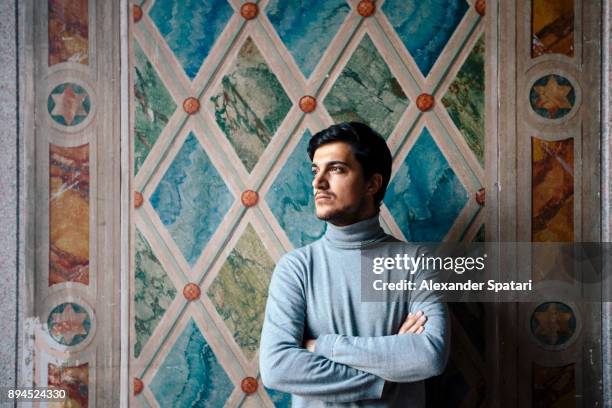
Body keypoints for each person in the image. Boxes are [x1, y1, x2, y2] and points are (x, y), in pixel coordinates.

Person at [259, 122, 450, 407]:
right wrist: (385, 376)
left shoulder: (415, 262)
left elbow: (429, 356)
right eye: (315, 170)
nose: (318, 182)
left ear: (372, 184)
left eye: (336, 169)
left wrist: (323, 346)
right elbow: (277, 368)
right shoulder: (296, 268)